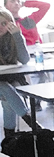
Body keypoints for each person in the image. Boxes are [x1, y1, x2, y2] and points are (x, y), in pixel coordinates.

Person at [0, 8, 40, 136]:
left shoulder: (14, 37)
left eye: (4, 23)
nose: (0, 27)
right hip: (3, 83)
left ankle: (9, 137)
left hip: (12, 78)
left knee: (8, 99)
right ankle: (31, 122)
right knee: (6, 89)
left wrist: (17, 36)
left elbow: (24, 60)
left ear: (10, 24)